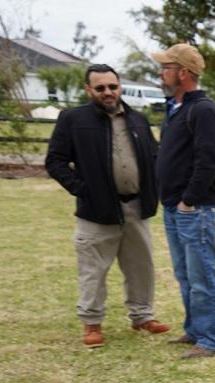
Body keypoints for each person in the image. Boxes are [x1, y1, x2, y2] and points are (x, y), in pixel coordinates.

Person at [45, 63, 169, 349]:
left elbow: (154, 158)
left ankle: (142, 316)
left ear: (119, 86)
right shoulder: (73, 119)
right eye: (100, 88)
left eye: (113, 86)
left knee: (141, 267)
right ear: (89, 90)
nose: (108, 92)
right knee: (93, 270)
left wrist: (155, 190)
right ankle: (91, 322)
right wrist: (83, 190)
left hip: (136, 208)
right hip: (96, 212)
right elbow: (55, 161)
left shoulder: (137, 120)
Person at [152, 43, 215, 359]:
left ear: (183, 72)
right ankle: (195, 331)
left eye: (166, 67)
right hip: (175, 207)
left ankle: (210, 339)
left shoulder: (204, 110)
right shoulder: (176, 108)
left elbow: (207, 160)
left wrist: (188, 201)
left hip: (196, 210)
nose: (161, 72)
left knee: (201, 277)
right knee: (185, 275)